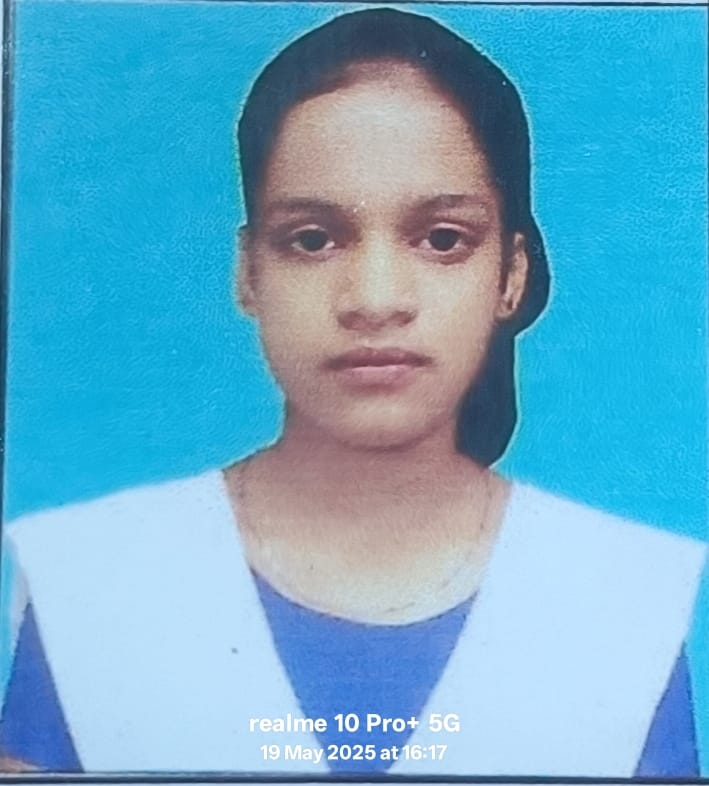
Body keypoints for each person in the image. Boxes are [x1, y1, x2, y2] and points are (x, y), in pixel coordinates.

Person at [0, 7, 705, 777]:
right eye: (312, 239)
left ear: (510, 274)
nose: (373, 299)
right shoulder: (93, 579)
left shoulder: (621, 596)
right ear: (248, 271)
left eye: (442, 239)